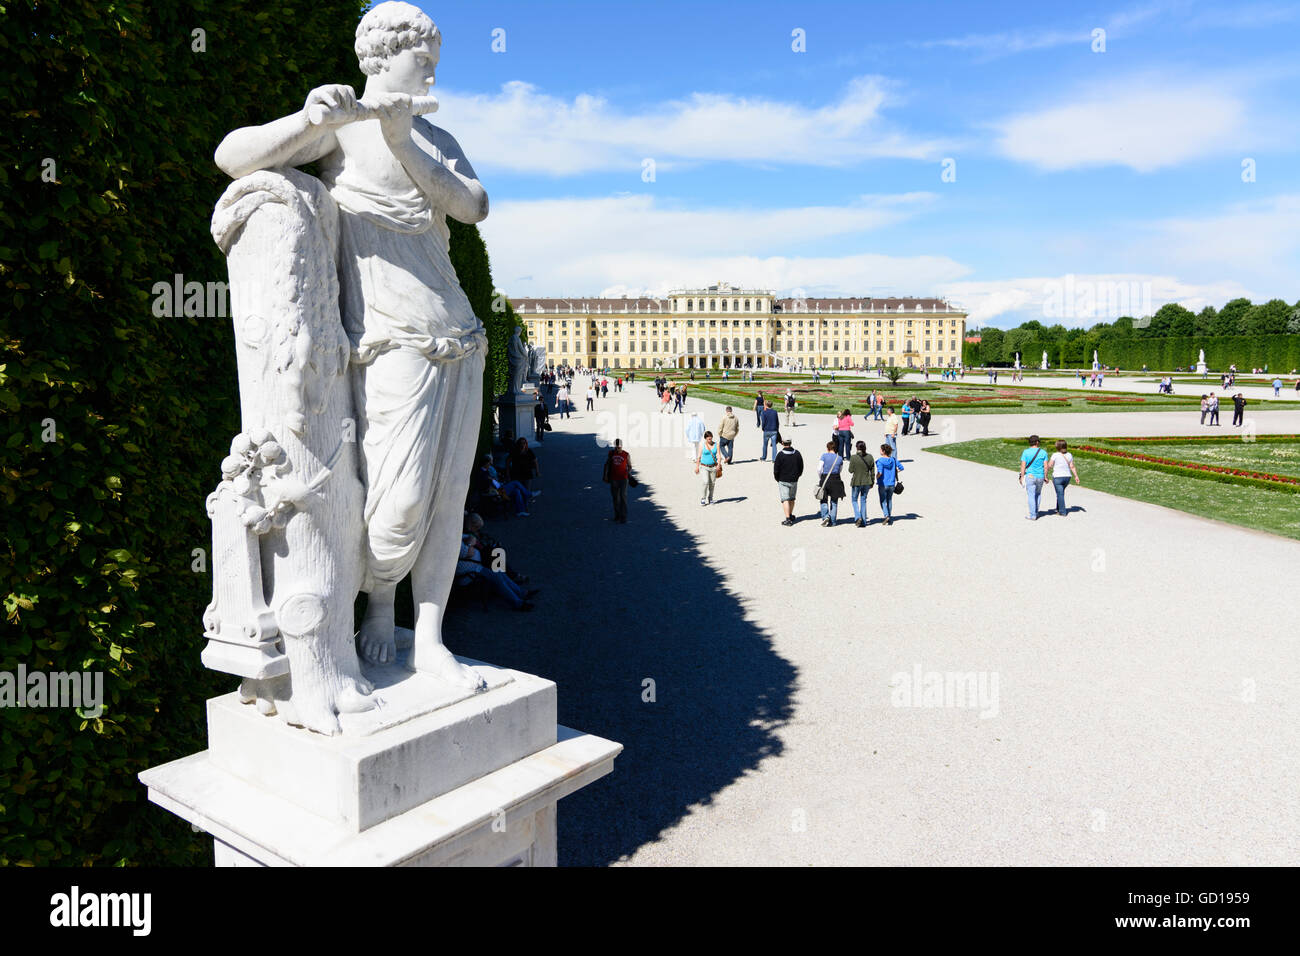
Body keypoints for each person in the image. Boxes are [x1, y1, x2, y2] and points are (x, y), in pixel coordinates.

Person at [214, 2, 497, 683]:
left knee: (448, 492)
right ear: (379, 58)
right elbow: (231, 156)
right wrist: (310, 121)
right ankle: (377, 604)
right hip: (388, 340)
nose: (430, 70)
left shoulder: (434, 139)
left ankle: (427, 634)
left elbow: (474, 205)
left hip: (457, 331)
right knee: (393, 503)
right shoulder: (340, 131)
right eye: (420, 58)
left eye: (433, 60)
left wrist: (406, 140)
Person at [773, 437, 803, 526]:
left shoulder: (780, 455)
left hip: (783, 479)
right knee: (792, 498)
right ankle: (790, 514)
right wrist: (798, 475)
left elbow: (776, 469)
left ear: (782, 443)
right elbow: (801, 466)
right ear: (791, 443)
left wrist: (777, 478)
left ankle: (787, 518)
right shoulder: (797, 453)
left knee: (785, 499)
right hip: (794, 479)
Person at [1047, 439, 1081, 516]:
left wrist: (1045, 471)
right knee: (1060, 493)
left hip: (1058, 477)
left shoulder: (1055, 455)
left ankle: (1062, 512)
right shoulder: (1069, 455)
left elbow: (1050, 465)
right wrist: (1076, 476)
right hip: (1067, 477)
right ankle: (1058, 508)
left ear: (1058, 447)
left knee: (1060, 494)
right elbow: (1072, 466)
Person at [816, 441, 846, 527]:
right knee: (834, 501)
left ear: (828, 448)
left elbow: (819, 468)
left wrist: (821, 477)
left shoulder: (824, 456)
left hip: (825, 478)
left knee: (823, 499)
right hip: (836, 479)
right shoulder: (839, 458)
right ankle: (833, 521)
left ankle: (825, 516)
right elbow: (840, 469)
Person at [1018, 434, 1048, 521]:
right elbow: (1045, 466)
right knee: (1038, 494)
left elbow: (1023, 466)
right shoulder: (1043, 452)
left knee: (1031, 495)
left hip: (1030, 476)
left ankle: (1032, 515)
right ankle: (1036, 511)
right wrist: (1046, 476)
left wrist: (1022, 477)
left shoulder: (1026, 452)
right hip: (1040, 476)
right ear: (1037, 442)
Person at [603, 438, 631, 523]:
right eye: (616, 447)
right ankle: (617, 515)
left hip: (623, 479)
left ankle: (624, 517)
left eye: (619, 447)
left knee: (623, 497)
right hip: (613, 479)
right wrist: (605, 475)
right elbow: (607, 464)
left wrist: (627, 473)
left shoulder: (626, 454)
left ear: (621, 446)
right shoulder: (611, 453)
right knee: (615, 498)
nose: (617, 449)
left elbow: (629, 466)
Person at [848, 440, 875, 527]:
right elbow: (873, 471)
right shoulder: (870, 457)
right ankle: (863, 521)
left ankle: (858, 516)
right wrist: (872, 481)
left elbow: (850, 470)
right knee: (863, 500)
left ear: (856, 447)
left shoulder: (853, 457)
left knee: (854, 500)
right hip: (867, 481)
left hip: (856, 481)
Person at [875, 443, 903, 526]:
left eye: (880, 449)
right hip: (891, 483)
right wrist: (895, 472)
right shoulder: (893, 460)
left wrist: (877, 477)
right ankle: (889, 516)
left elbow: (880, 472)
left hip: (883, 484)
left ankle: (886, 515)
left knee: (882, 500)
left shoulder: (880, 461)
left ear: (883, 451)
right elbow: (901, 467)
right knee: (889, 500)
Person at [696, 431, 721, 505]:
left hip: (713, 467)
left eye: (711, 439)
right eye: (708, 439)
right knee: (705, 482)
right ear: (705, 439)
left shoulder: (716, 445)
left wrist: (719, 464)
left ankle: (710, 498)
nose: (710, 440)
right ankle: (703, 498)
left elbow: (719, 455)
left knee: (712, 483)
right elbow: (699, 457)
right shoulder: (702, 445)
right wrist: (697, 467)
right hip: (704, 467)